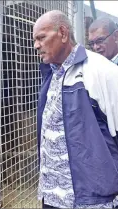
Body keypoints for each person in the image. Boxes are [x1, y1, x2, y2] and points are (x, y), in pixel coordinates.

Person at [33, 10, 118, 209]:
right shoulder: (50, 75)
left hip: (91, 200)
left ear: (63, 33)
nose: (36, 45)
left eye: (41, 38)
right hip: (52, 197)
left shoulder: (103, 72)